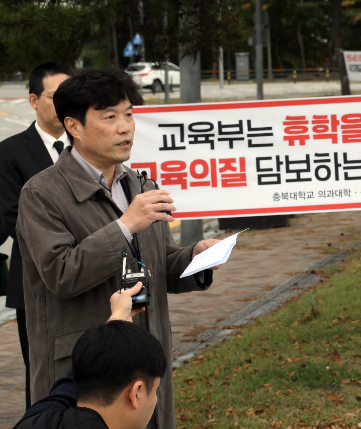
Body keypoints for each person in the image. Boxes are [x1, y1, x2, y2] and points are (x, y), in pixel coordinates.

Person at [16, 68, 221, 429]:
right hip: (85, 371)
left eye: (128, 114)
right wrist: (126, 224)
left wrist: (196, 258)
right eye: (109, 117)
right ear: (74, 126)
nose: (125, 127)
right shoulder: (41, 194)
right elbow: (61, 274)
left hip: (145, 362)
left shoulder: (140, 185)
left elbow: (159, 265)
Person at [0, 62, 72, 409]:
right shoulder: (10, 151)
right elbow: (12, 215)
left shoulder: (87, 144)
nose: (64, 104)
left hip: (87, 276)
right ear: (33, 100)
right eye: (55, 97)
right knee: (41, 374)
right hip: (33, 281)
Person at [14, 283, 167, 429]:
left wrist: (117, 318)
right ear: (136, 394)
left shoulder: (37, 421)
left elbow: (68, 387)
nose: (155, 399)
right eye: (155, 390)